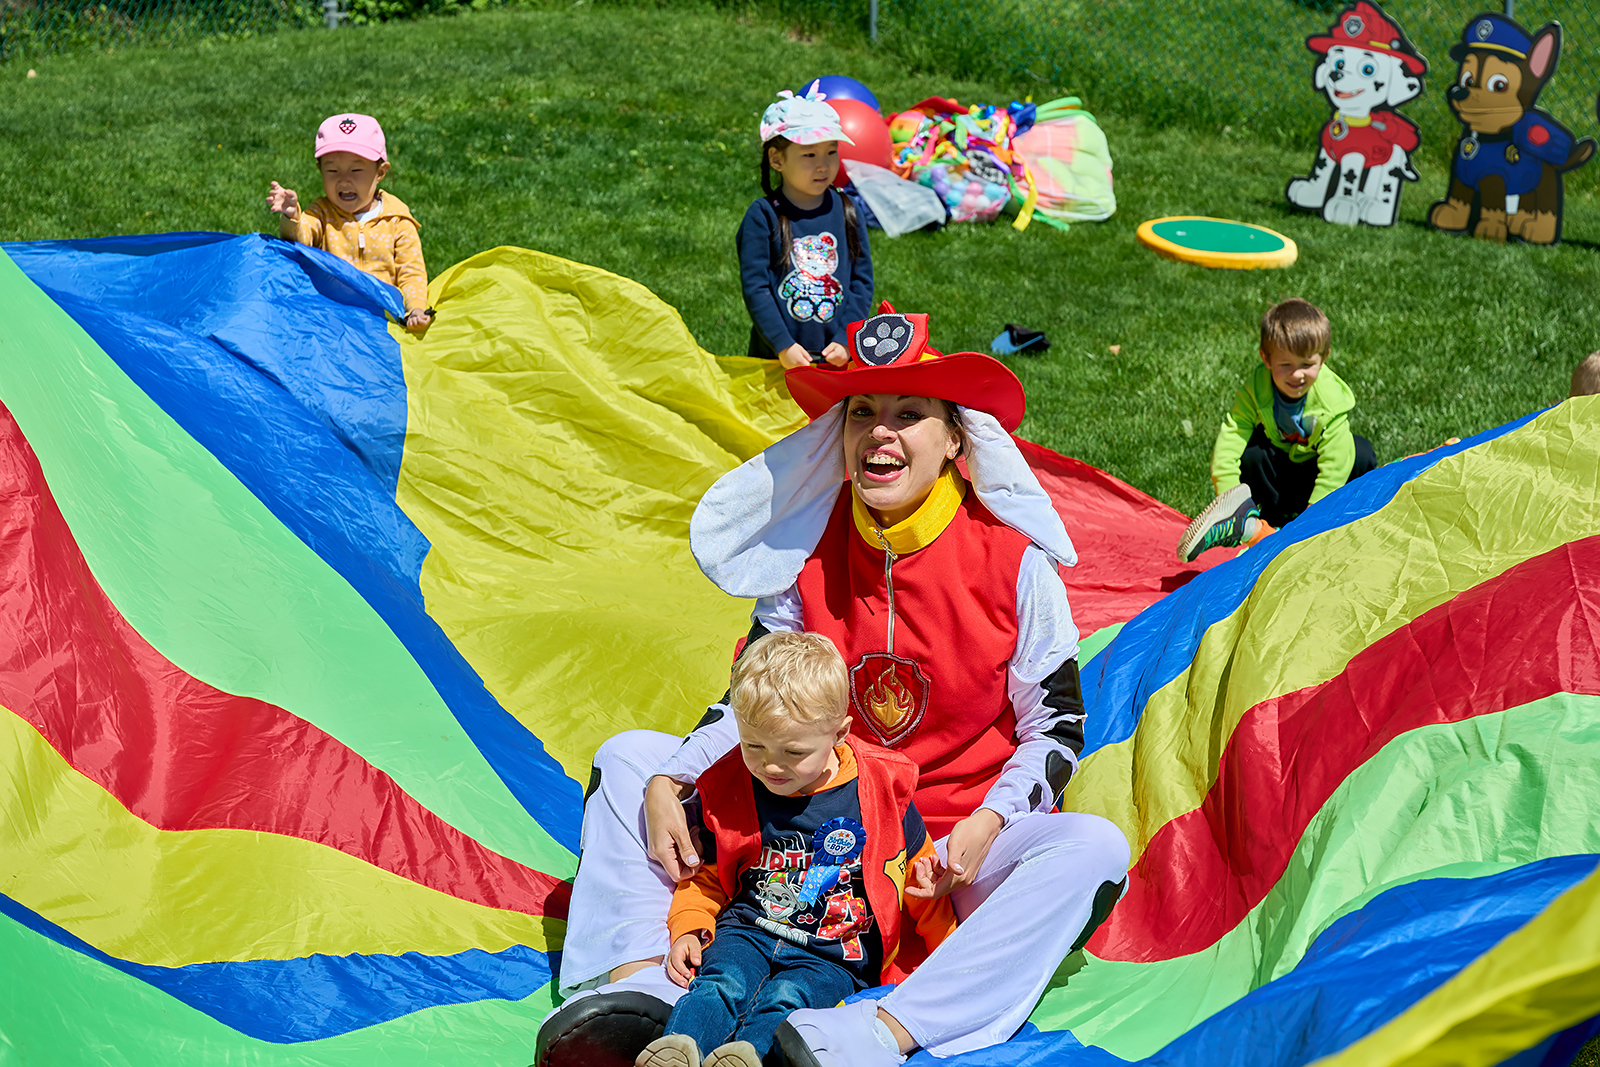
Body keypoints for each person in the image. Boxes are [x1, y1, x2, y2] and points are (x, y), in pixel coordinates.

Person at [536, 303, 1131, 1067]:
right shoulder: (806, 546)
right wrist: (673, 777)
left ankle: (879, 1031)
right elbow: (750, 699)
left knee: (1092, 846)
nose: (881, 432)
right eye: (862, 412)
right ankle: (643, 992)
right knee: (629, 762)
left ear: (956, 439)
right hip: (792, 827)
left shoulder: (1017, 563)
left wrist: (989, 821)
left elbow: (1057, 729)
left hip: (942, 858)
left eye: (908, 414)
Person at [634, 631, 956, 1067]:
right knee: (721, 983)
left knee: (788, 999)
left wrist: (949, 954)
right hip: (748, 931)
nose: (771, 764)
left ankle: (747, 1058)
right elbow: (706, 874)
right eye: (754, 745)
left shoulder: (881, 789)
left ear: (839, 733)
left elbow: (919, 880)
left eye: (793, 751)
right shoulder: (732, 783)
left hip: (834, 954)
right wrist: (690, 928)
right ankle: (678, 1049)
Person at [1177, 297, 1377, 562]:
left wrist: (1314, 516)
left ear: (1324, 358)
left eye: (1306, 364)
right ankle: (1257, 523)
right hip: (1280, 476)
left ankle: (1343, 517)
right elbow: (1231, 436)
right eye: (1286, 365)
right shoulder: (1256, 390)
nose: (1297, 375)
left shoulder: (1330, 399)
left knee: (1359, 452)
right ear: (1266, 358)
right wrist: (1228, 497)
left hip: (1317, 476)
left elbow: (1336, 460)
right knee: (1252, 453)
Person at [738, 89, 873, 369]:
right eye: (809, 154)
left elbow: (861, 282)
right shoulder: (763, 216)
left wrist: (846, 339)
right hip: (777, 361)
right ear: (777, 159)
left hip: (835, 360)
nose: (823, 165)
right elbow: (756, 287)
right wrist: (782, 345)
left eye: (831, 152)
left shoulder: (848, 210)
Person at [266, 113, 431, 333]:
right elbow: (300, 240)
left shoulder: (397, 220)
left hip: (383, 321)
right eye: (332, 170)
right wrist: (293, 215)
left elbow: (411, 272)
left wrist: (416, 308)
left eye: (356, 170)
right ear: (320, 170)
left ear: (380, 172)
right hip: (333, 318)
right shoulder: (321, 214)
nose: (344, 179)